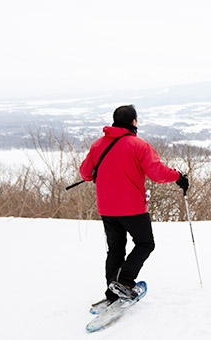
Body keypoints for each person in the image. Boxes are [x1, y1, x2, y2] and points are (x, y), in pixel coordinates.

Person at [80, 105, 188, 307]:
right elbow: (157, 173)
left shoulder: (97, 146)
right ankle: (124, 282)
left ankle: (113, 291)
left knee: (115, 249)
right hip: (131, 207)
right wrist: (178, 176)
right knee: (146, 243)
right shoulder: (138, 145)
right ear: (133, 122)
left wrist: (96, 173)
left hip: (106, 208)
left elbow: (85, 174)